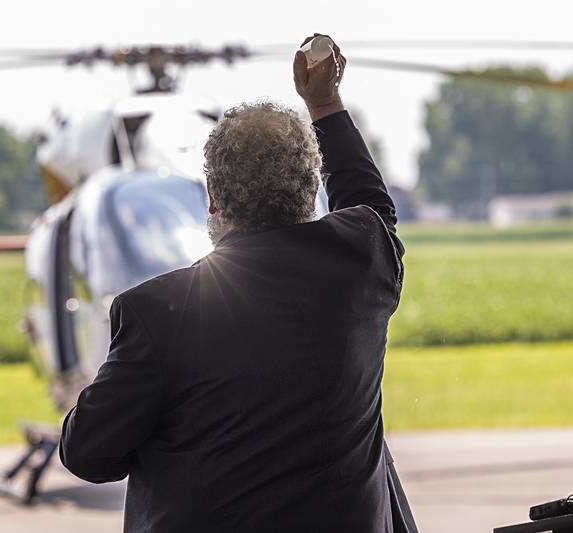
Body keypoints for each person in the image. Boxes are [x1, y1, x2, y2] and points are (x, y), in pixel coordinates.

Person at [59, 33, 418, 533]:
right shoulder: (361, 261)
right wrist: (325, 103)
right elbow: (371, 203)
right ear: (312, 188)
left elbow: (88, 455)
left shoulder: (155, 311)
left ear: (212, 198)